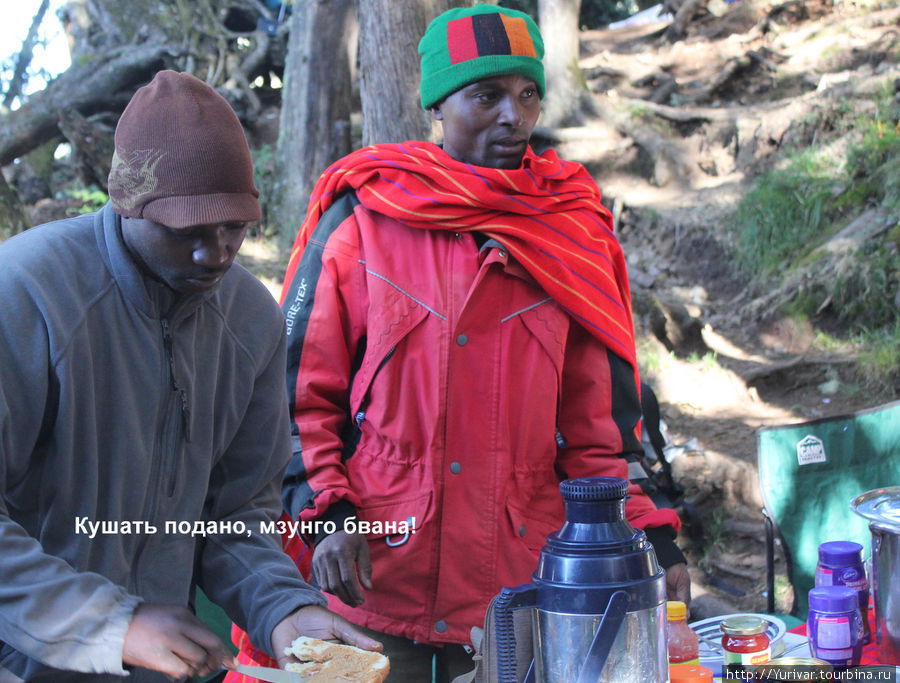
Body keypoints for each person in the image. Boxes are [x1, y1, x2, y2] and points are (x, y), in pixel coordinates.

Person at [236, 4, 691, 680]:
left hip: (519, 596)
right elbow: (298, 393)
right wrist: (323, 511)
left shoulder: (572, 230)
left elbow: (601, 433)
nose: (515, 116)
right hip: (375, 588)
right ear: (438, 107)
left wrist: (654, 540)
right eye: (487, 95)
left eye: (527, 93)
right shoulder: (364, 217)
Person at [0, 70, 379, 682]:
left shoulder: (251, 320)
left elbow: (233, 516)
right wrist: (111, 623)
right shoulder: (25, 294)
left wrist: (284, 611)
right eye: (188, 232)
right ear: (126, 203)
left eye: (235, 227)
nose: (217, 254)